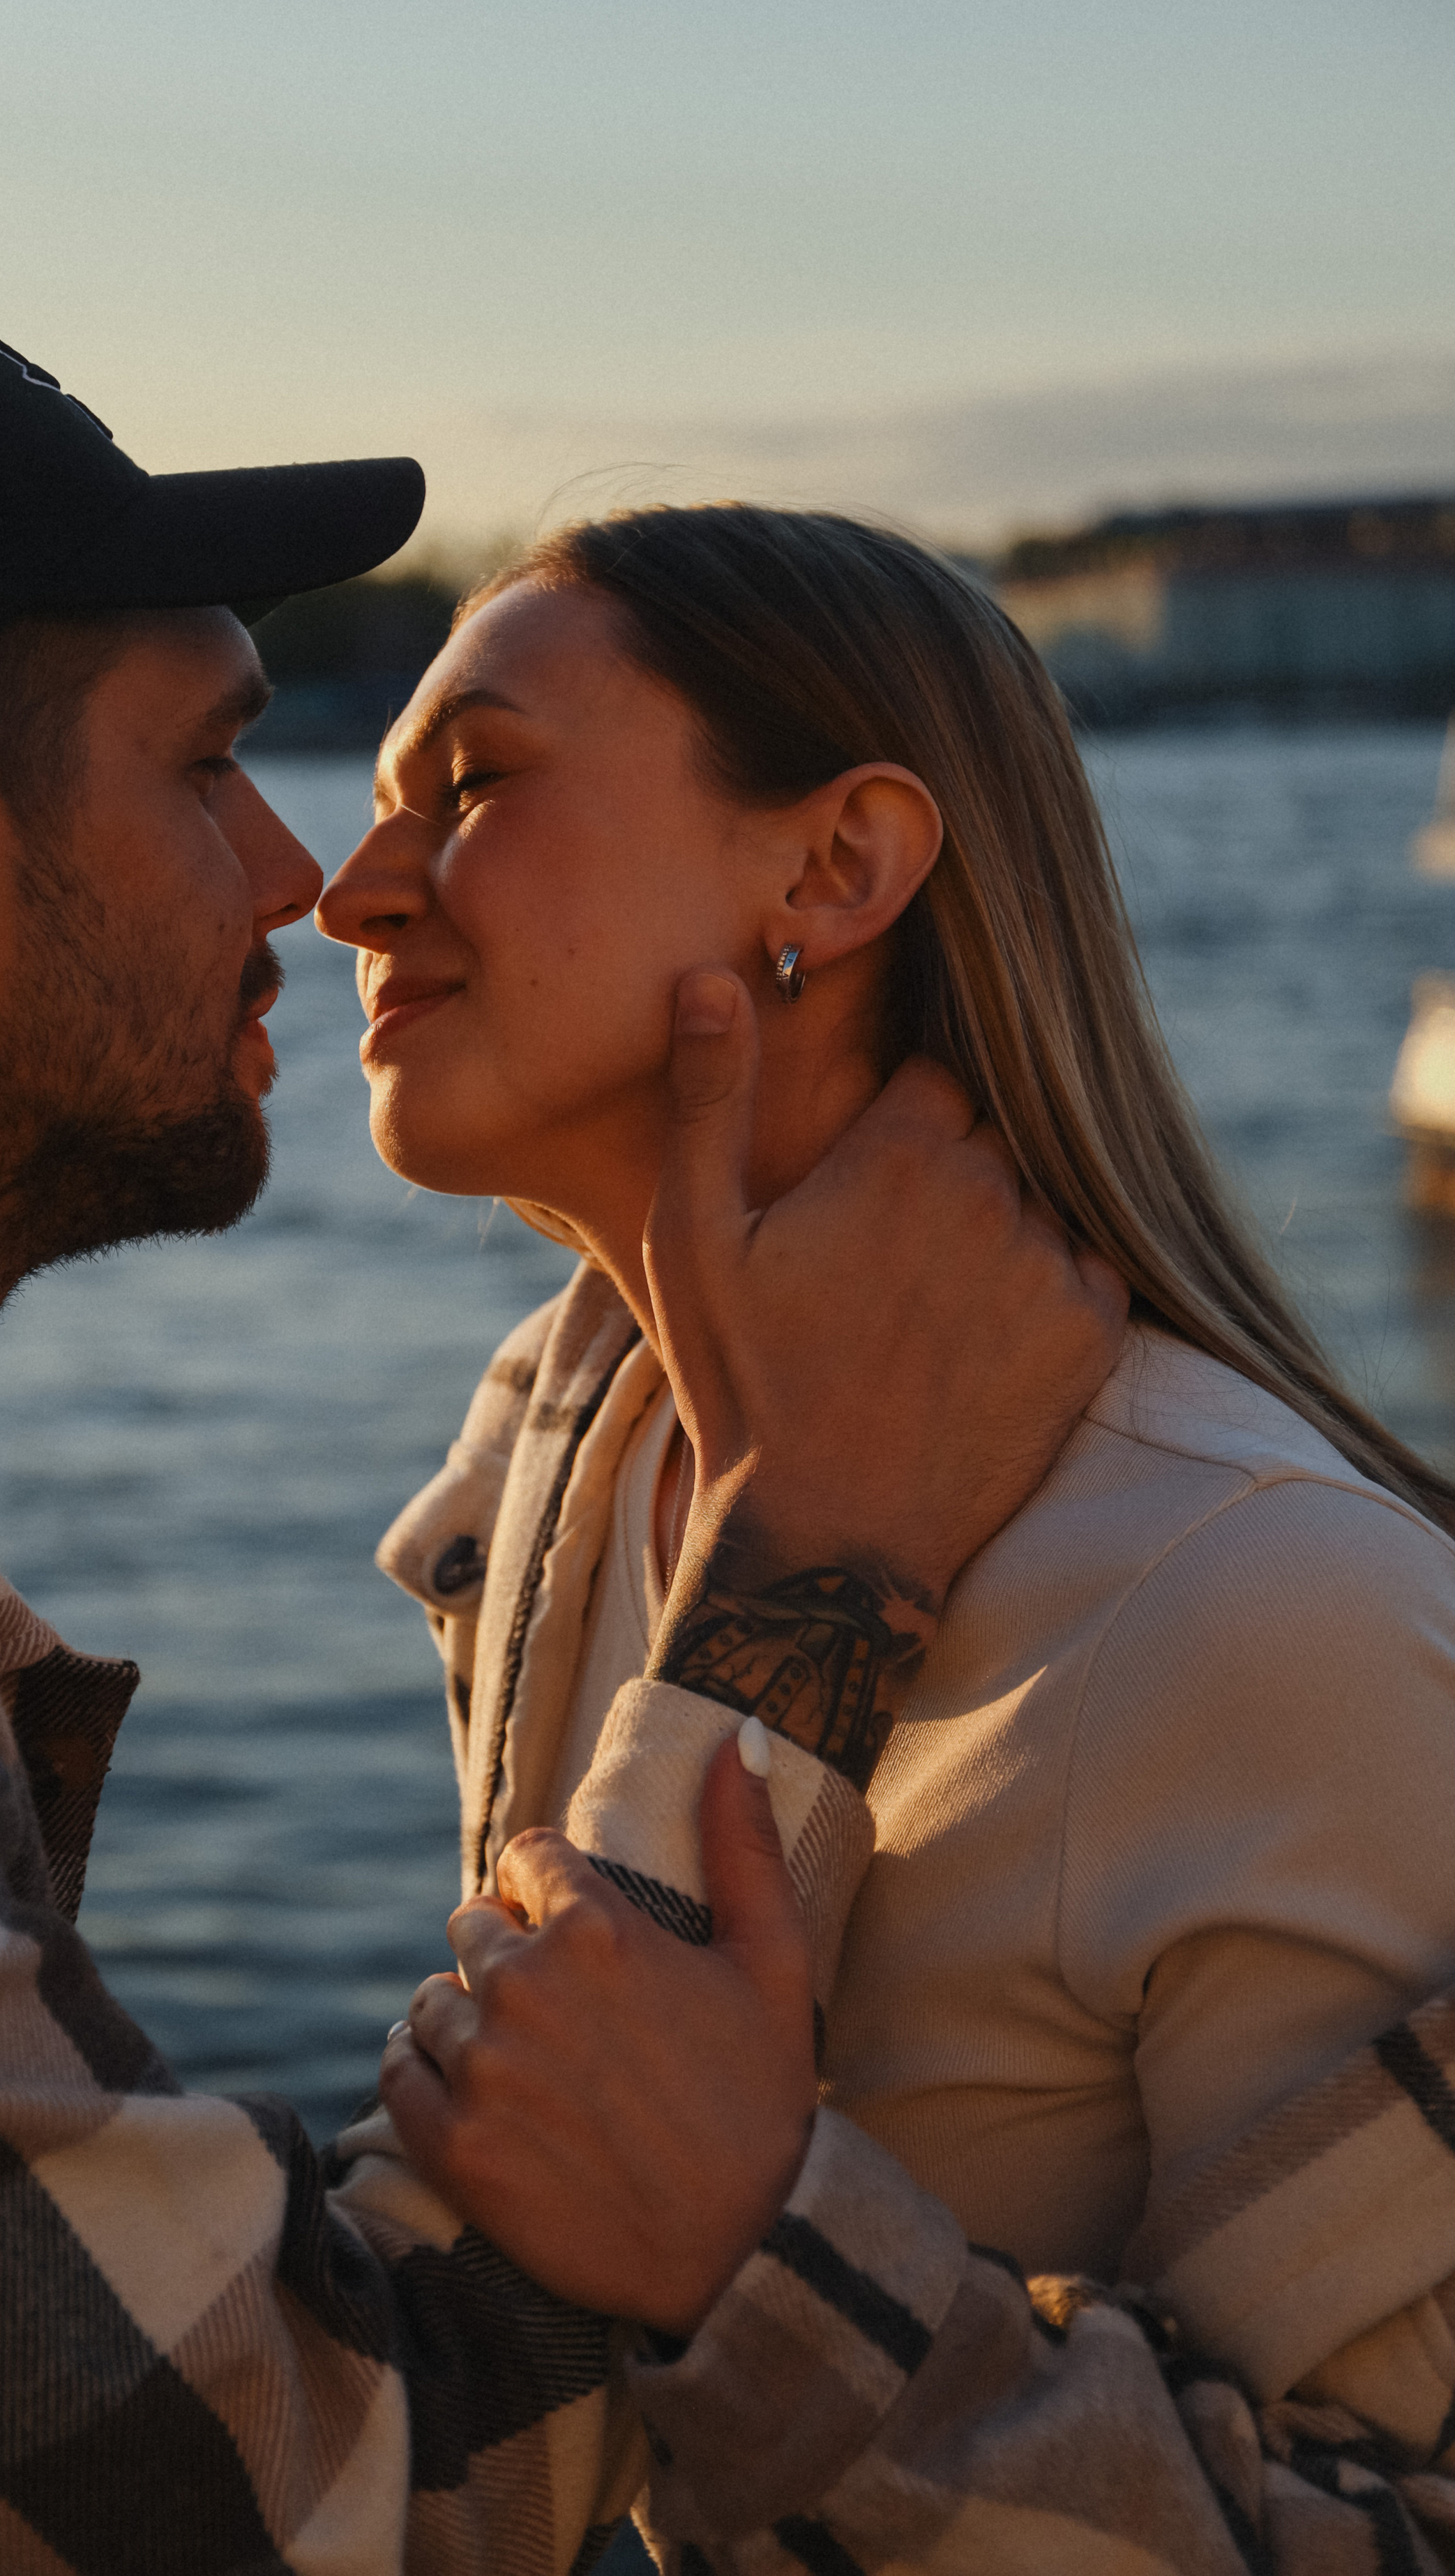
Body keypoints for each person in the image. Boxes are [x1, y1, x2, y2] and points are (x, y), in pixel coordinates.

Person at [0, 289, 1128, 2573]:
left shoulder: (1244, 1587)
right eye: (202, 765)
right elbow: (340, 2506)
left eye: (458, 794)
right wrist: (800, 1602)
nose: (303, 879)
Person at [317, 501, 1455, 2569]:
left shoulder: (1263, 1602)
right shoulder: (565, 1464)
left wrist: (760, 2255)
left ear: (834, 868)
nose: (347, 891)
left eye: (473, 786)